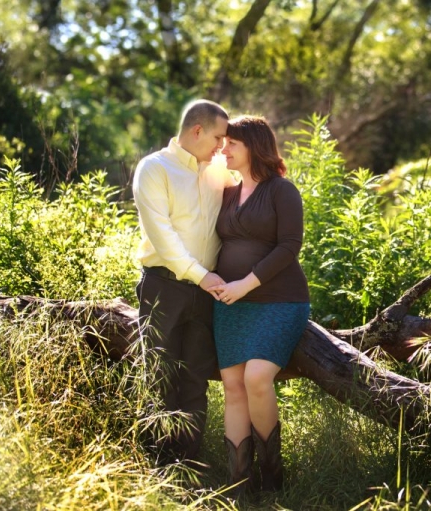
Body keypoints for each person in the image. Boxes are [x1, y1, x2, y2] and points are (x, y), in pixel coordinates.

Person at [208, 115, 310, 494]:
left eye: (232, 143)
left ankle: (272, 479)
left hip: (278, 301)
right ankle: (237, 484)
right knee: (232, 386)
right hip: (230, 303)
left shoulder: (282, 190)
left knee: (256, 378)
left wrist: (245, 284)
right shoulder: (228, 193)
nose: (225, 149)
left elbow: (290, 246)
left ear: (254, 145)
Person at [132, 99, 233, 464]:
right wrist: (203, 276)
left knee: (194, 380)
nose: (222, 146)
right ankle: (155, 466)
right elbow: (163, 236)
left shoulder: (220, 169)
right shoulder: (154, 169)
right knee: (158, 376)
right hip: (164, 286)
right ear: (197, 131)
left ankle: (188, 465)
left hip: (206, 294)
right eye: (219, 138)